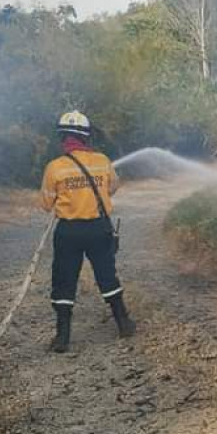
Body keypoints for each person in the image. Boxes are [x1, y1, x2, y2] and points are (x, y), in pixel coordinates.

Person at [40, 111, 135, 352]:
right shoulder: (102, 161)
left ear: (63, 137)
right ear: (86, 137)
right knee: (107, 275)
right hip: (98, 228)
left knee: (64, 280)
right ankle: (123, 323)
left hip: (69, 232)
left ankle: (62, 337)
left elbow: (46, 204)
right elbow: (113, 187)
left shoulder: (54, 168)